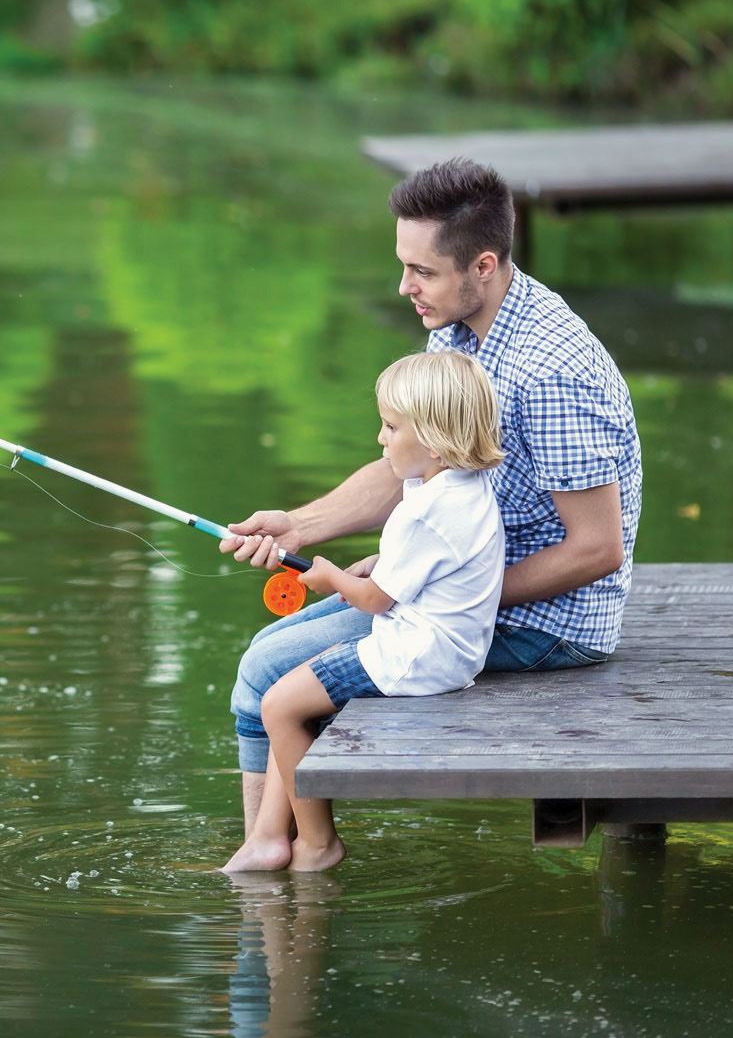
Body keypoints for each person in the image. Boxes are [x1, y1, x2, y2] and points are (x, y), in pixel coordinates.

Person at [219, 157, 643, 873]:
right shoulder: (459, 328)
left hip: (549, 626)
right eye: (402, 265)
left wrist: (433, 584)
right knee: (273, 658)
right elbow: (409, 463)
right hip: (461, 587)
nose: (404, 287)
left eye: (422, 272)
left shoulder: (552, 372)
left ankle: (280, 874)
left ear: (482, 264)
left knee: (264, 672)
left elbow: (597, 549)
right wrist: (300, 525)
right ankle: (282, 851)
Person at [229, 350, 505, 872]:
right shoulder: (459, 489)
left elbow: (378, 599)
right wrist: (382, 561)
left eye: (390, 426)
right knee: (287, 685)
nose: (380, 439)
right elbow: (438, 560)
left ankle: (316, 844)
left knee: (279, 705)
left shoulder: (423, 511)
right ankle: (268, 835)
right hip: (442, 648)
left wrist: (330, 577)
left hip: (414, 655)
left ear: (434, 436)